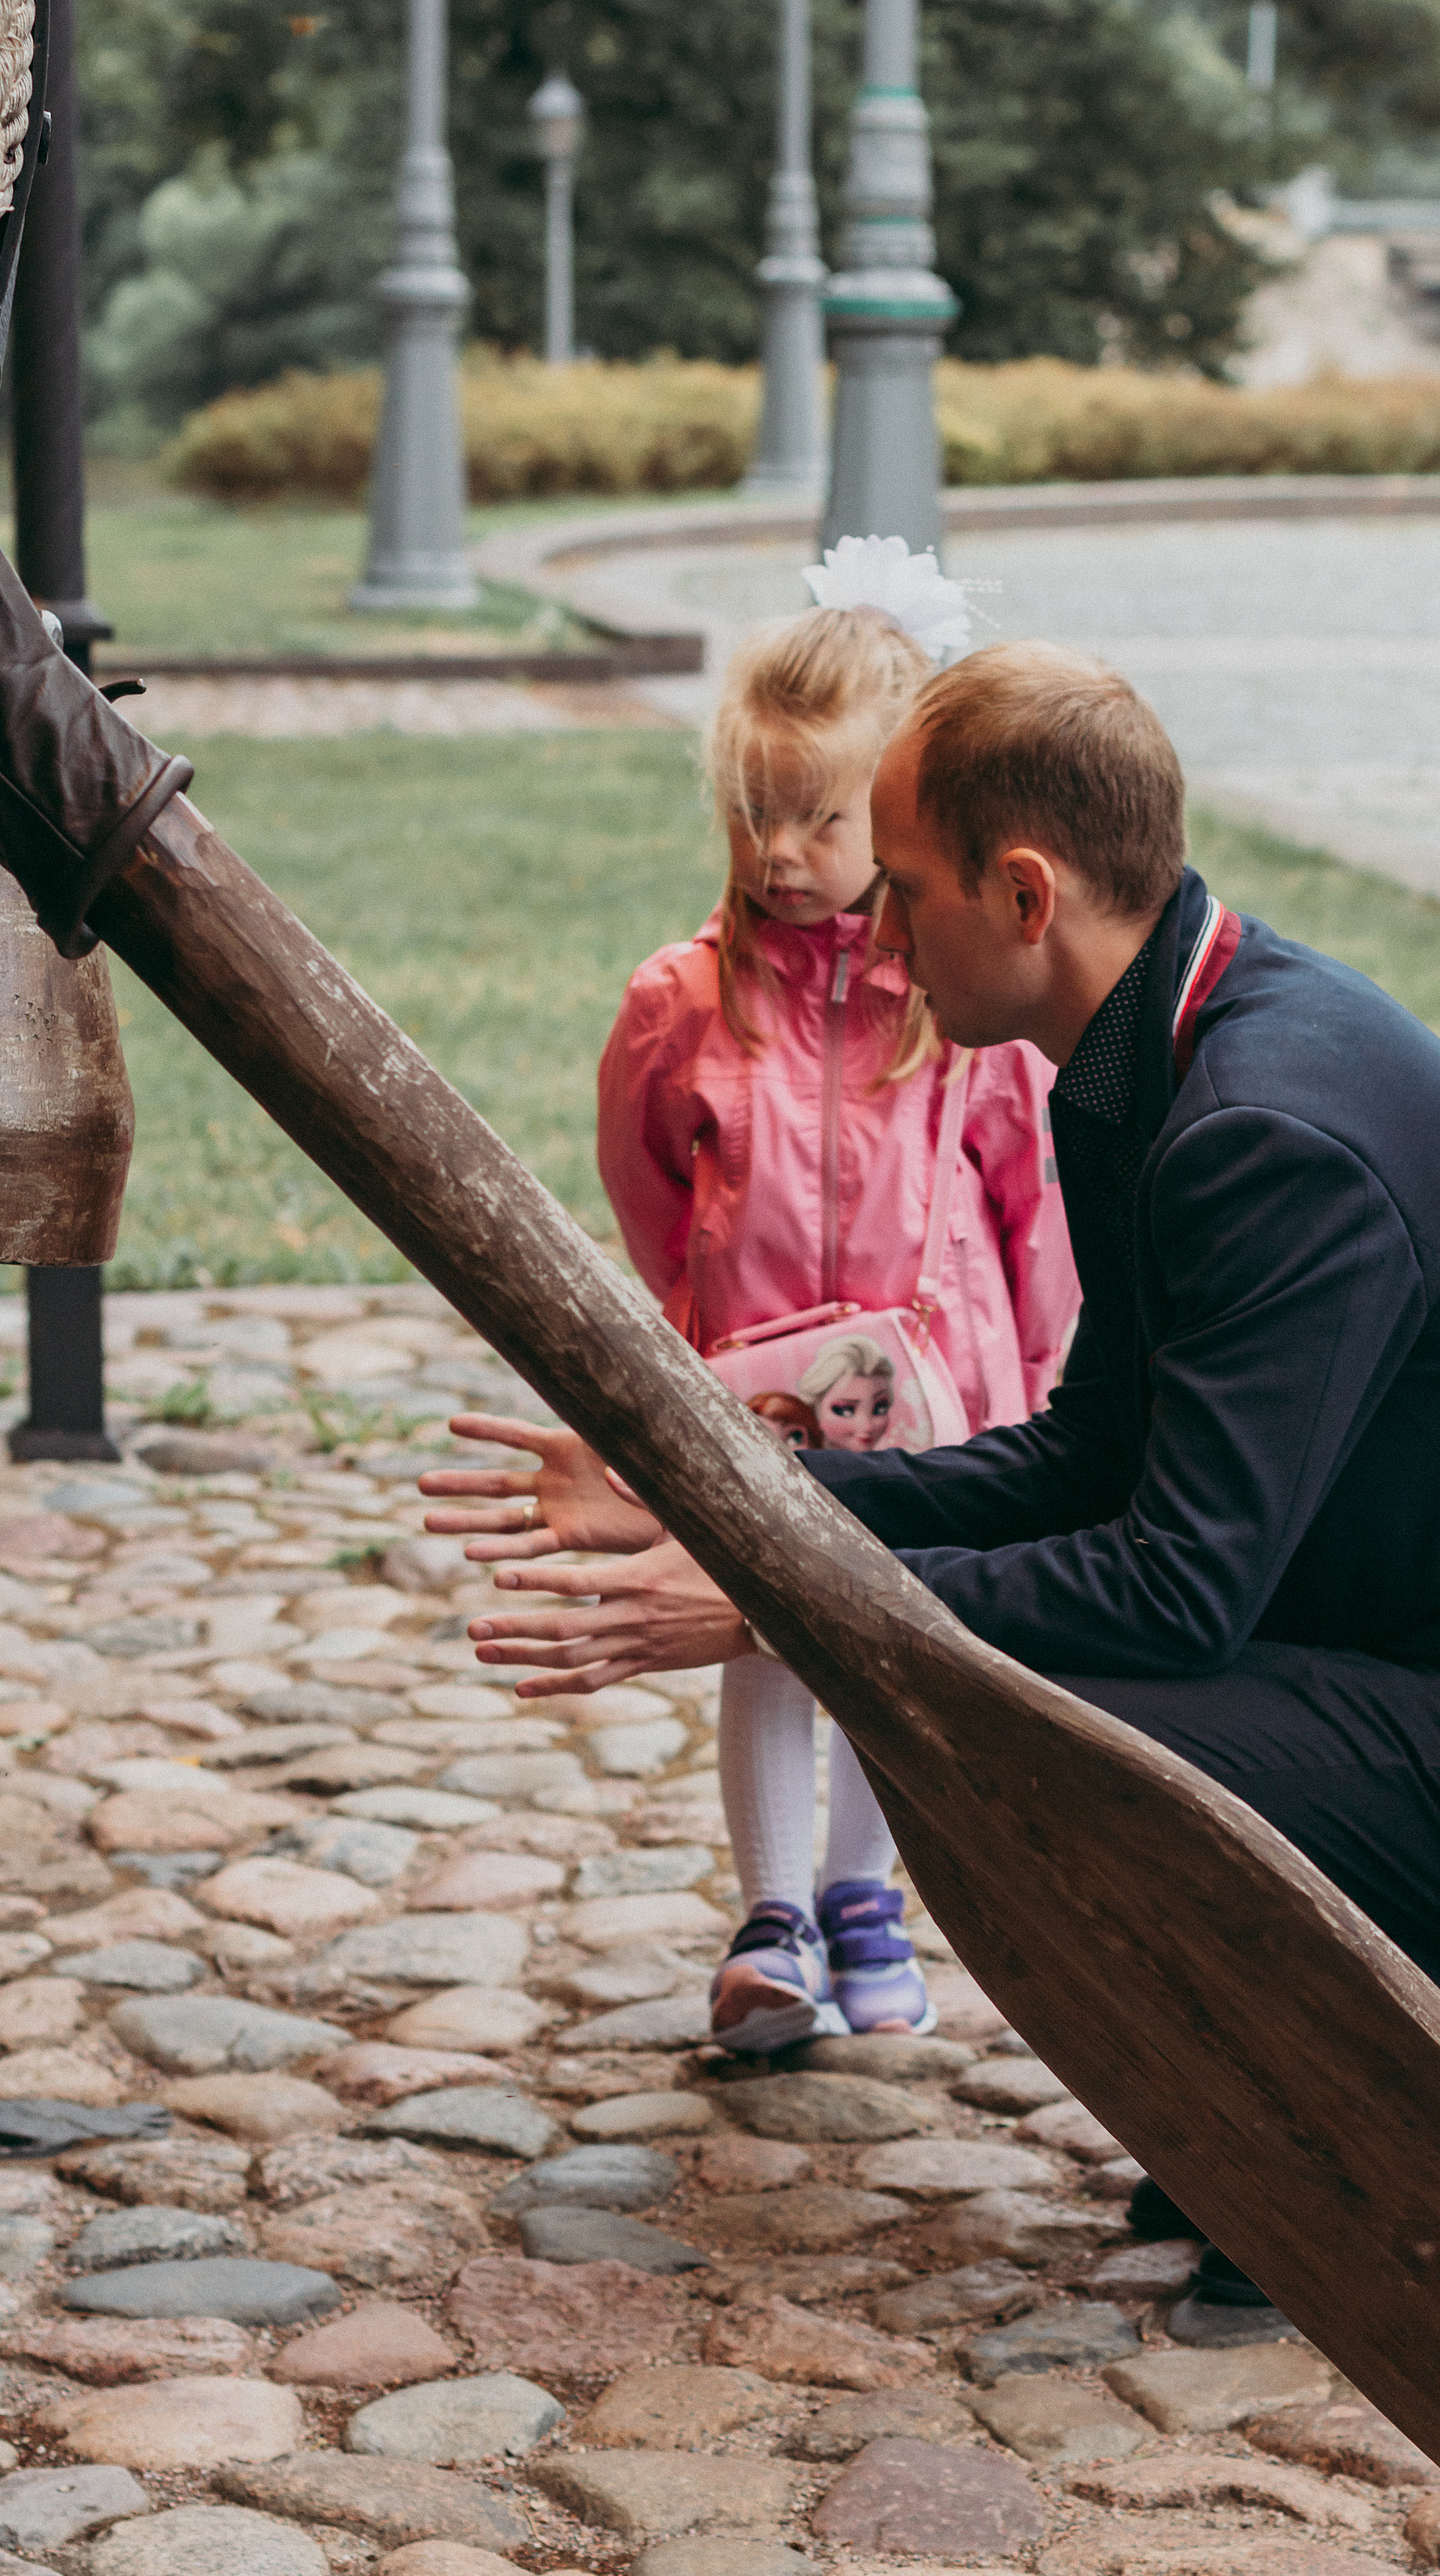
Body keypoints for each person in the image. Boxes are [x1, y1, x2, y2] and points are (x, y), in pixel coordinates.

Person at [429, 640, 1440, 2342]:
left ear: (1023, 890)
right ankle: (1277, 2107)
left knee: (1013, 1728)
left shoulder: (1265, 1126)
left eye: (902, 892)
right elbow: (1085, 1458)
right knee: (984, 1702)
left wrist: (786, 1602)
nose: (879, 935)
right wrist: (723, 1496)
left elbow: (1171, 1590)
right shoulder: (1157, 1055)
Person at [426, 600, 1077, 2059]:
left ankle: (865, 1896)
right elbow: (647, 1179)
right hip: (759, 1400)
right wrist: (700, 1329)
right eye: (752, 815)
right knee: (764, 1643)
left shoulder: (956, 1009)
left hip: (934, 1403)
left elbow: (1032, 1207)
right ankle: (772, 1918)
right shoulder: (684, 997)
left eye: (814, 818)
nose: (778, 850)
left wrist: (1028, 1379)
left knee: (897, 1644)